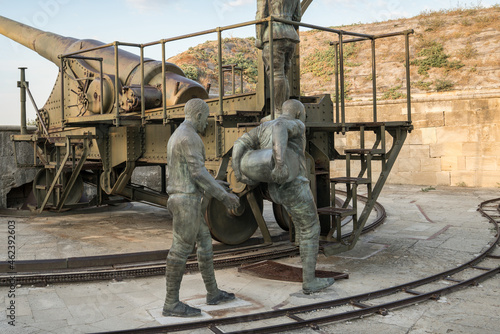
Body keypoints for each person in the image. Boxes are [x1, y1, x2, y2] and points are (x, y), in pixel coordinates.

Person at [232, 99, 335, 294]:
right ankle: (310, 281)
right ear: (298, 113)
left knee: (302, 226)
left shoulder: (263, 127)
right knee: (310, 228)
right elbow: (280, 127)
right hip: (293, 185)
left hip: (274, 189)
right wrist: (280, 164)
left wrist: (239, 174)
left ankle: (308, 273)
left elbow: (239, 144)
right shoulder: (295, 123)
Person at [163, 98, 240, 317]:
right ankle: (171, 303)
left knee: (205, 242)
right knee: (180, 250)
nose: (206, 124)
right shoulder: (191, 137)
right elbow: (197, 173)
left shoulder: (178, 134)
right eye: (205, 119)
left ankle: (213, 293)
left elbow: (192, 172)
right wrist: (224, 196)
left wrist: (217, 184)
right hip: (186, 200)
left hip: (185, 198)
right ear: (198, 116)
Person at [256, 0, 301, 116]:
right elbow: (297, 17)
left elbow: (261, 15)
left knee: (276, 74)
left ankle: (278, 112)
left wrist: (259, 38)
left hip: (273, 35)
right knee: (284, 74)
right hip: (291, 36)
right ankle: (284, 111)